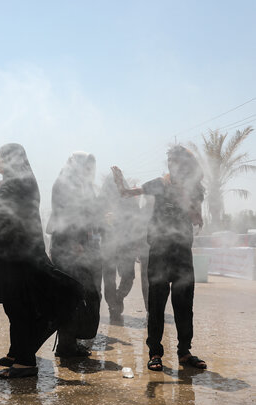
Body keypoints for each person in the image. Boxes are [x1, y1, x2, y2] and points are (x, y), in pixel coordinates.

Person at [0, 143, 83, 379]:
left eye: (0, 157)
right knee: (14, 307)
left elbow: (1, 214)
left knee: (20, 306)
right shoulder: (18, 181)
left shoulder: (17, 183)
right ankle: (16, 353)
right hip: (14, 254)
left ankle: (26, 362)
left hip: (19, 256)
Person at [112, 145, 207, 371]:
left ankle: (185, 352)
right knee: (156, 306)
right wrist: (120, 183)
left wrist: (185, 193)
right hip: (159, 253)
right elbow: (128, 193)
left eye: (178, 161)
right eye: (171, 160)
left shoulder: (194, 189)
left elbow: (196, 218)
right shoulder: (158, 183)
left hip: (182, 253)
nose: (173, 165)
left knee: (184, 306)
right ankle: (155, 353)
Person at [47, 152, 102, 358]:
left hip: (80, 246)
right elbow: (66, 215)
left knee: (82, 295)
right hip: (69, 247)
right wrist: (75, 241)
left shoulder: (80, 184)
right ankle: (66, 346)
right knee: (71, 295)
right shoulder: (64, 183)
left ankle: (69, 343)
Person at [98, 175, 140, 320]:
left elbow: (137, 218)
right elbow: (93, 218)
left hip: (126, 243)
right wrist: (103, 218)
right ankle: (112, 305)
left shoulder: (128, 198)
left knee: (128, 275)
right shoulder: (101, 200)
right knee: (109, 278)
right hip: (108, 245)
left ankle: (119, 297)